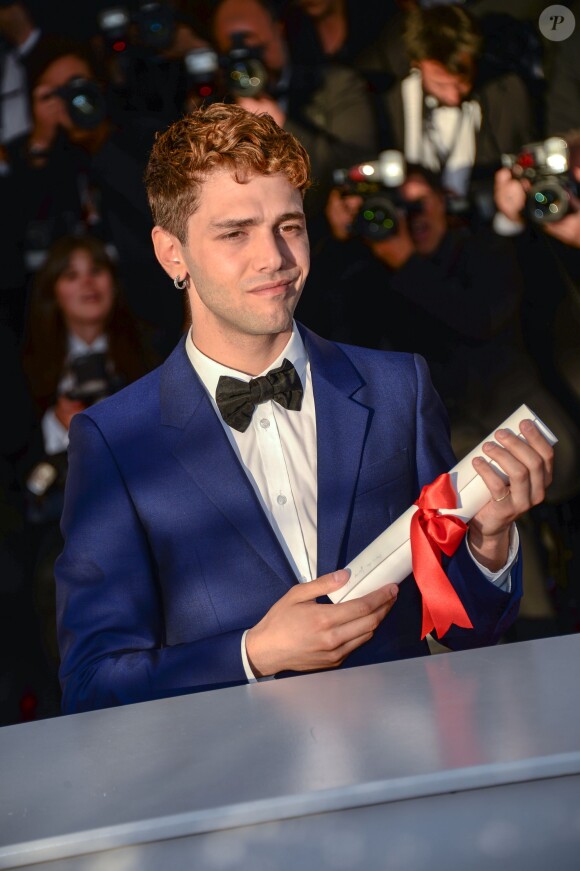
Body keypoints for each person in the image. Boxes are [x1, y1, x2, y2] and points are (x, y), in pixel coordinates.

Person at [55, 102, 554, 715]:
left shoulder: (399, 388)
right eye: (235, 233)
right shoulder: (114, 439)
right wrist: (253, 653)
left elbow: (470, 630)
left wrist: (490, 540)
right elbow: (92, 683)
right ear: (171, 254)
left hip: (402, 773)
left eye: (288, 226)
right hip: (236, 793)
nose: (275, 258)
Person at [210, 0, 379, 219]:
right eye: (233, 51)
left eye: (254, 45)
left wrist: (282, 125)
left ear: (277, 30)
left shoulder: (335, 84)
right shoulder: (216, 108)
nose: (247, 59)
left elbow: (360, 167)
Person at [374, 4, 536, 199]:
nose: (453, 96)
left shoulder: (508, 94)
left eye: (461, 83)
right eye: (440, 84)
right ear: (416, 64)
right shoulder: (387, 101)